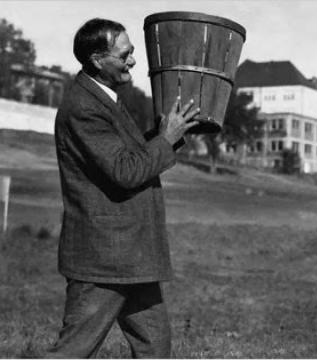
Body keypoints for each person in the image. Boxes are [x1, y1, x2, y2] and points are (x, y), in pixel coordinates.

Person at [46, 18, 199, 358]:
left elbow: (127, 157)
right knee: (72, 351)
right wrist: (166, 139)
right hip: (103, 258)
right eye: (125, 54)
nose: (133, 61)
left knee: (155, 346)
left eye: (132, 52)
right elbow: (125, 172)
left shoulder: (105, 98)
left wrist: (167, 135)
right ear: (98, 59)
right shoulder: (83, 107)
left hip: (131, 254)